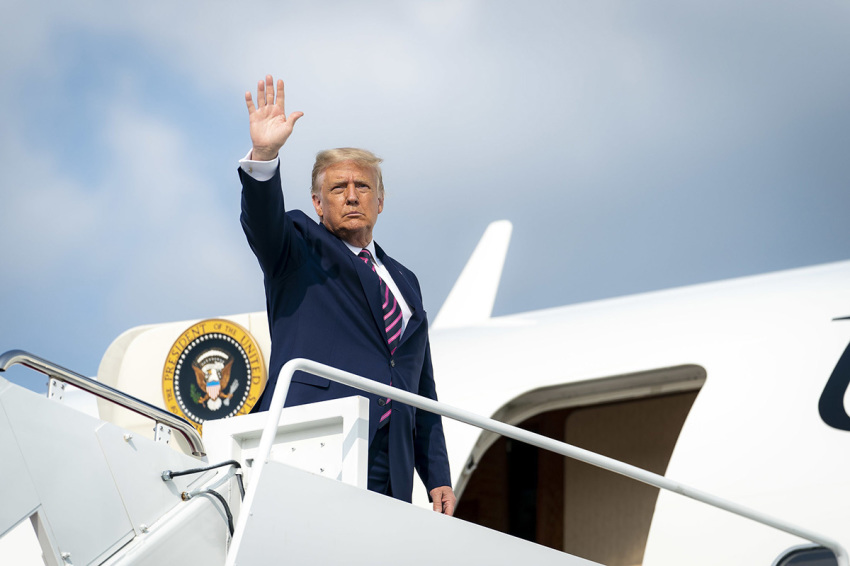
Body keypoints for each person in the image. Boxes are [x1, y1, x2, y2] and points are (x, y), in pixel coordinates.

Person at [238, 75, 456, 515]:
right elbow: (264, 222)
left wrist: (437, 476)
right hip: (316, 440)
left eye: (363, 187)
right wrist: (264, 156)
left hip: (388, 465)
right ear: (319, 203)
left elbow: (422, 389)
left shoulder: (405, 281)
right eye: (338, 188)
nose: (352, 196)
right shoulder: (298, 242)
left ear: (380, 201)